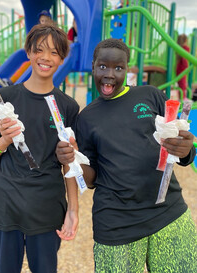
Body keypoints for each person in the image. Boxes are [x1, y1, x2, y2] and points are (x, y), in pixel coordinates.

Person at [56, 38, 197, 272]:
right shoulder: (87, 118)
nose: (110, 74)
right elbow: (91, 180)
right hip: (117, 224)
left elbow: (181, 146)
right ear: (93, 66)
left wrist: (186, 150)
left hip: (169, 212)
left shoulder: (151, 95)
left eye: (118, 68)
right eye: (103, 67)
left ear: (127, 69)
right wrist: (74, 160)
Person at [0, 24, 79, 273]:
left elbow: (69, 163)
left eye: (54, 52)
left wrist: (73, 210)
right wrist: (3, 140)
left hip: (46, 206)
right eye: (39, 50)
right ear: (28, 52)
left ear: (62, 59)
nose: (46, 58)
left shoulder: (67, 106)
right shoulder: (3, 99)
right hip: (5, 204)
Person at [0, 10, 53, 87]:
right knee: (26, 64)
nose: (44, 22)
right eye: (42, 21)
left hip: (46, 58)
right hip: (39, 56)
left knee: (29, 64)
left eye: (46, 21)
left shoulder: (52, 33)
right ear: (40, 21)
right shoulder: (39, 32)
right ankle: (10, 81)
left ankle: (10, 82)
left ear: (50, 21)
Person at [176, 34, 190, 100]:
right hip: (182, 69)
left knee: (181, 84)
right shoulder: (185, 48)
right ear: (186, 40)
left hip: (179, 68)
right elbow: (185, 59)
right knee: (182, 84)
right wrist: (187, 68)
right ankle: (183, 98)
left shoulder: (179, 47)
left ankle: (181, 97)